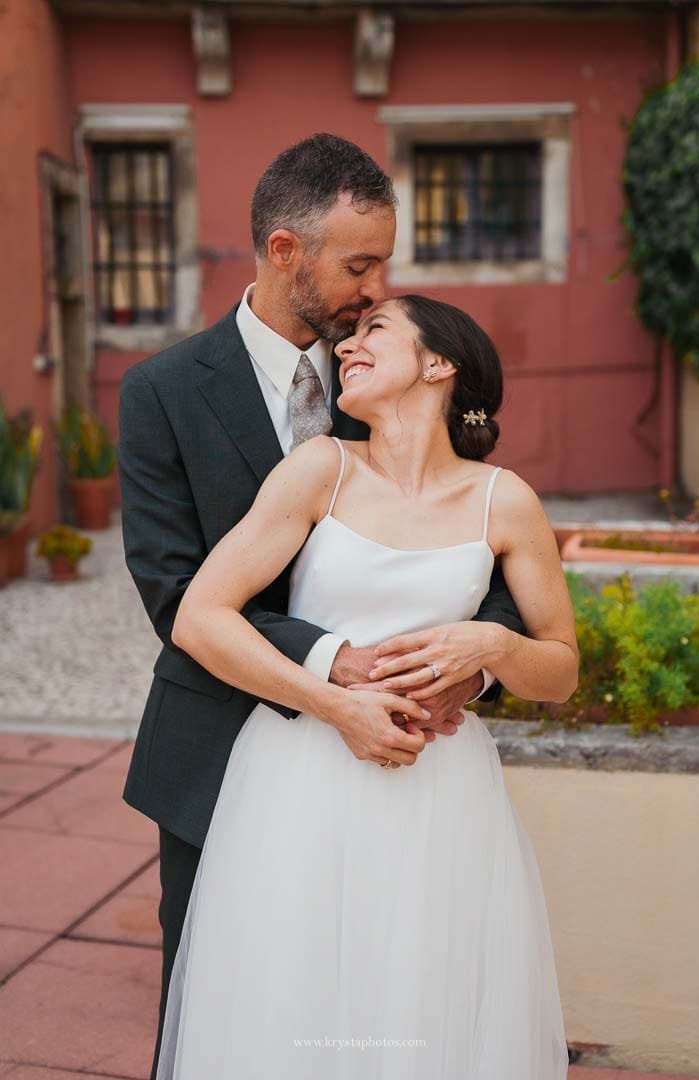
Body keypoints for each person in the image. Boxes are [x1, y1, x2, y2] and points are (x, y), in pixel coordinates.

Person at [118, 134, 526, 1078]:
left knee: (380, 988)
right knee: (223, 997)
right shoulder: (162, 393)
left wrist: (470, 660)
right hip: (217, 745)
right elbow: (178, 593)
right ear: (284, 252)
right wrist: (339, 663)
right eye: (359, 264)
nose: (377, 289)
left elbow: (487, 544)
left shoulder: (385, 374)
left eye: (384, 262)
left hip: (398, 763)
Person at [155, 293, 577, 1079]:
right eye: (350, 335)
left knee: (421, 993)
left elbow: (559, 666)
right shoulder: (322, 468)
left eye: (374, 330)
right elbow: (201, 618)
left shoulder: (504, 500)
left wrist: (490, 644)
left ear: (438, 363)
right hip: (298, 776)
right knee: (292, 989)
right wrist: (336, 706)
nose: (348, 344)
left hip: (440, 794)